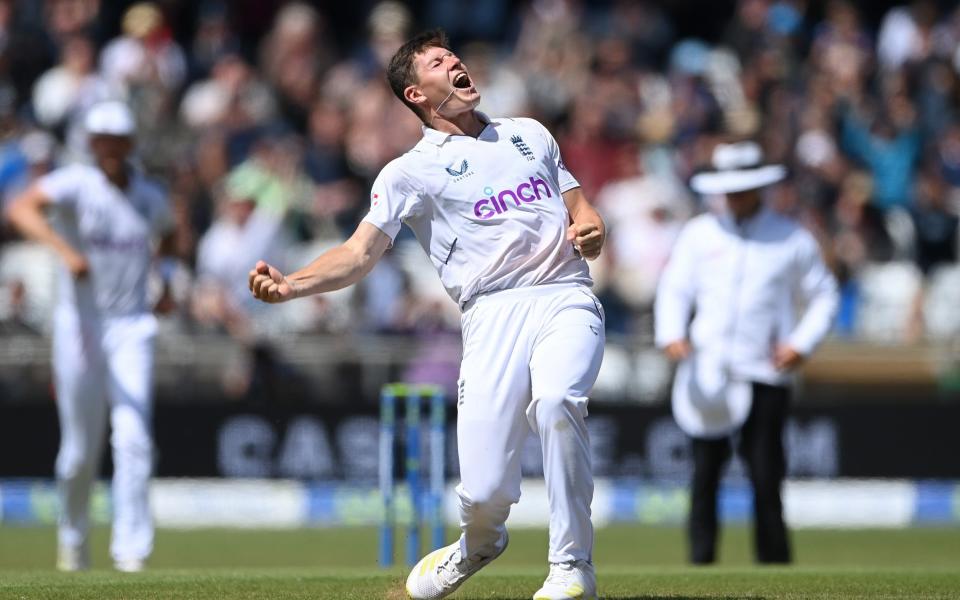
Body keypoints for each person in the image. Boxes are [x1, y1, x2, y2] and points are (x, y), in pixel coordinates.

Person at [249, 30, 606, 600]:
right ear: (416, 94)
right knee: (486, 492)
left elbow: (580, 207)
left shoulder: (528, 135)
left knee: (561, 402)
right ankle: (478, 543)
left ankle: (571, 568)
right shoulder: (408, 172)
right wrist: (291, 286)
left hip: (564, 294)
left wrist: (590, 229)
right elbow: (358, 253)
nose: (456, 62)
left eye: (454, 56)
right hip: (489, 314)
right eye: (440, 63)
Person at [5, 100, 173, 572]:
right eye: (102, 141)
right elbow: (20, 208)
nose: (110, 150)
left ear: (129, 144)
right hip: (80, 326)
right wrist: (64, 250)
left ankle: (131, 551)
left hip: (132, 326)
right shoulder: (76, 185)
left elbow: (172, 236)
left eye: (117, 141)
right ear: (92, 144)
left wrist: (170, 280)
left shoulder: (149, 195)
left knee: (135, 435)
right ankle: (73, 536)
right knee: (79, 450)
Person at [655, 141, 839, 565]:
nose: (734, 197)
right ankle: (700, 566)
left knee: (765, 475)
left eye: (743, 189)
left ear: (760, 188)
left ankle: (774, 567)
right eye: (728, 190)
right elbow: (675, 288)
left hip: (765, 371)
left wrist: (801, 344)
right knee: (704, 476)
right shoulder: (699, 233)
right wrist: (672, 333)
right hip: (708, 369)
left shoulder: (791, 237)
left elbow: (824, 295)